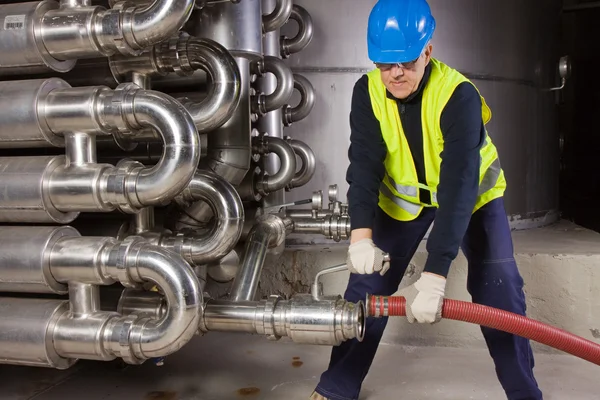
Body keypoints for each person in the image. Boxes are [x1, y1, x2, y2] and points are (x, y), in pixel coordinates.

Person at [310, 0, 543, 399]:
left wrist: (436, 275)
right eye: (385, 64)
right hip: (402, 202)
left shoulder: (458, 96)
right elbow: (364, 163)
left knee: (499, 291)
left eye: (406, 62)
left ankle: (524, 394)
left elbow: (458, 185)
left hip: (472, 199)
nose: (395, 73)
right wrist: (360, 236)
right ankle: (336, 388)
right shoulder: (367, 92)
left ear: (428, 52)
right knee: (366, 290)